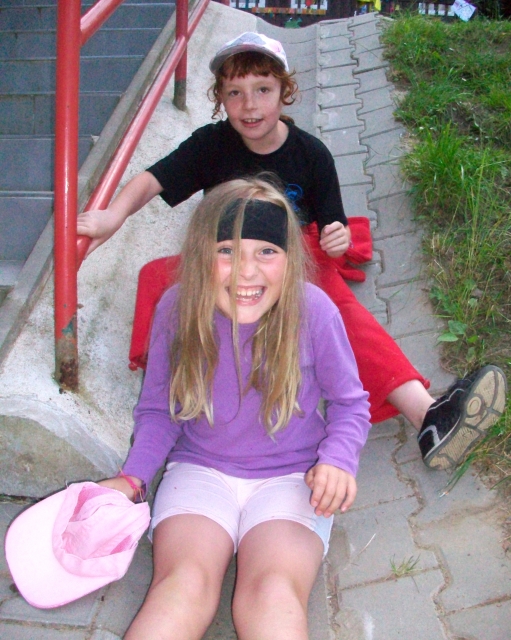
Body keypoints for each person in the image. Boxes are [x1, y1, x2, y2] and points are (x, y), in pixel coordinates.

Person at [77, 32, 507, 470]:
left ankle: (427, 415)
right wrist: (114, 215)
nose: (249, 105)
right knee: (159, 278)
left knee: (333, 303)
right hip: (225, 256)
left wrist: (337, 237)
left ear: (286, 90)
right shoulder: (210, 143)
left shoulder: (311, 154)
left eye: (263, 90)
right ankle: (176, 395)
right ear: (220, 98)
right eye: (235, 93)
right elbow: (152, 180)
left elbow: (333, 225)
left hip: (290, 255)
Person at [100, 178, 372, 639]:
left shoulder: (314, 311)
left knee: (273, 592)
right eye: (227, 251)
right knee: (182, 586)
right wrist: (133, 477)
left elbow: (350, 404)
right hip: (200, 471)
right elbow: (159, 410)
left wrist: (338, 461)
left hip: (293, 477)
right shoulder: (177, 309)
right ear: (199, 255)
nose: (247, 271)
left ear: (290, 259)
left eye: (266, 251)